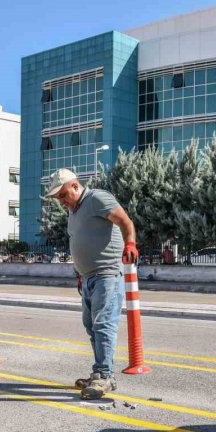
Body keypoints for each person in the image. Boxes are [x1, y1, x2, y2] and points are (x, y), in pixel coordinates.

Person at [45, 168, 138, 400]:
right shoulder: (74, 213)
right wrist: (80, 273)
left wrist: (130, 244)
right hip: (88, 277)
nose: (61, 201)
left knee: (103, 324)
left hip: (107, 273)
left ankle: (105, 376)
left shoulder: (97, 198)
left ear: (75, 186)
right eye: (58, 198)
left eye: (63, 195)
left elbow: (125, 221)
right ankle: (99, 372)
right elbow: (80, 241)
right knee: (91, 325)